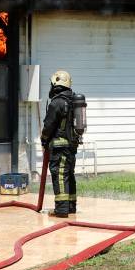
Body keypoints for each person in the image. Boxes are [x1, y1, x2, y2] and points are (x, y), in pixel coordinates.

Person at [41, 69, 80, 217]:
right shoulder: (73, 101)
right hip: (71, 146)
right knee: (69, 175)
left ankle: (62, 209)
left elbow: (49, 126)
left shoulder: (56, 103)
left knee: (60, 175)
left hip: (59, 148)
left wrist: (44, 139)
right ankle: (71, 206)